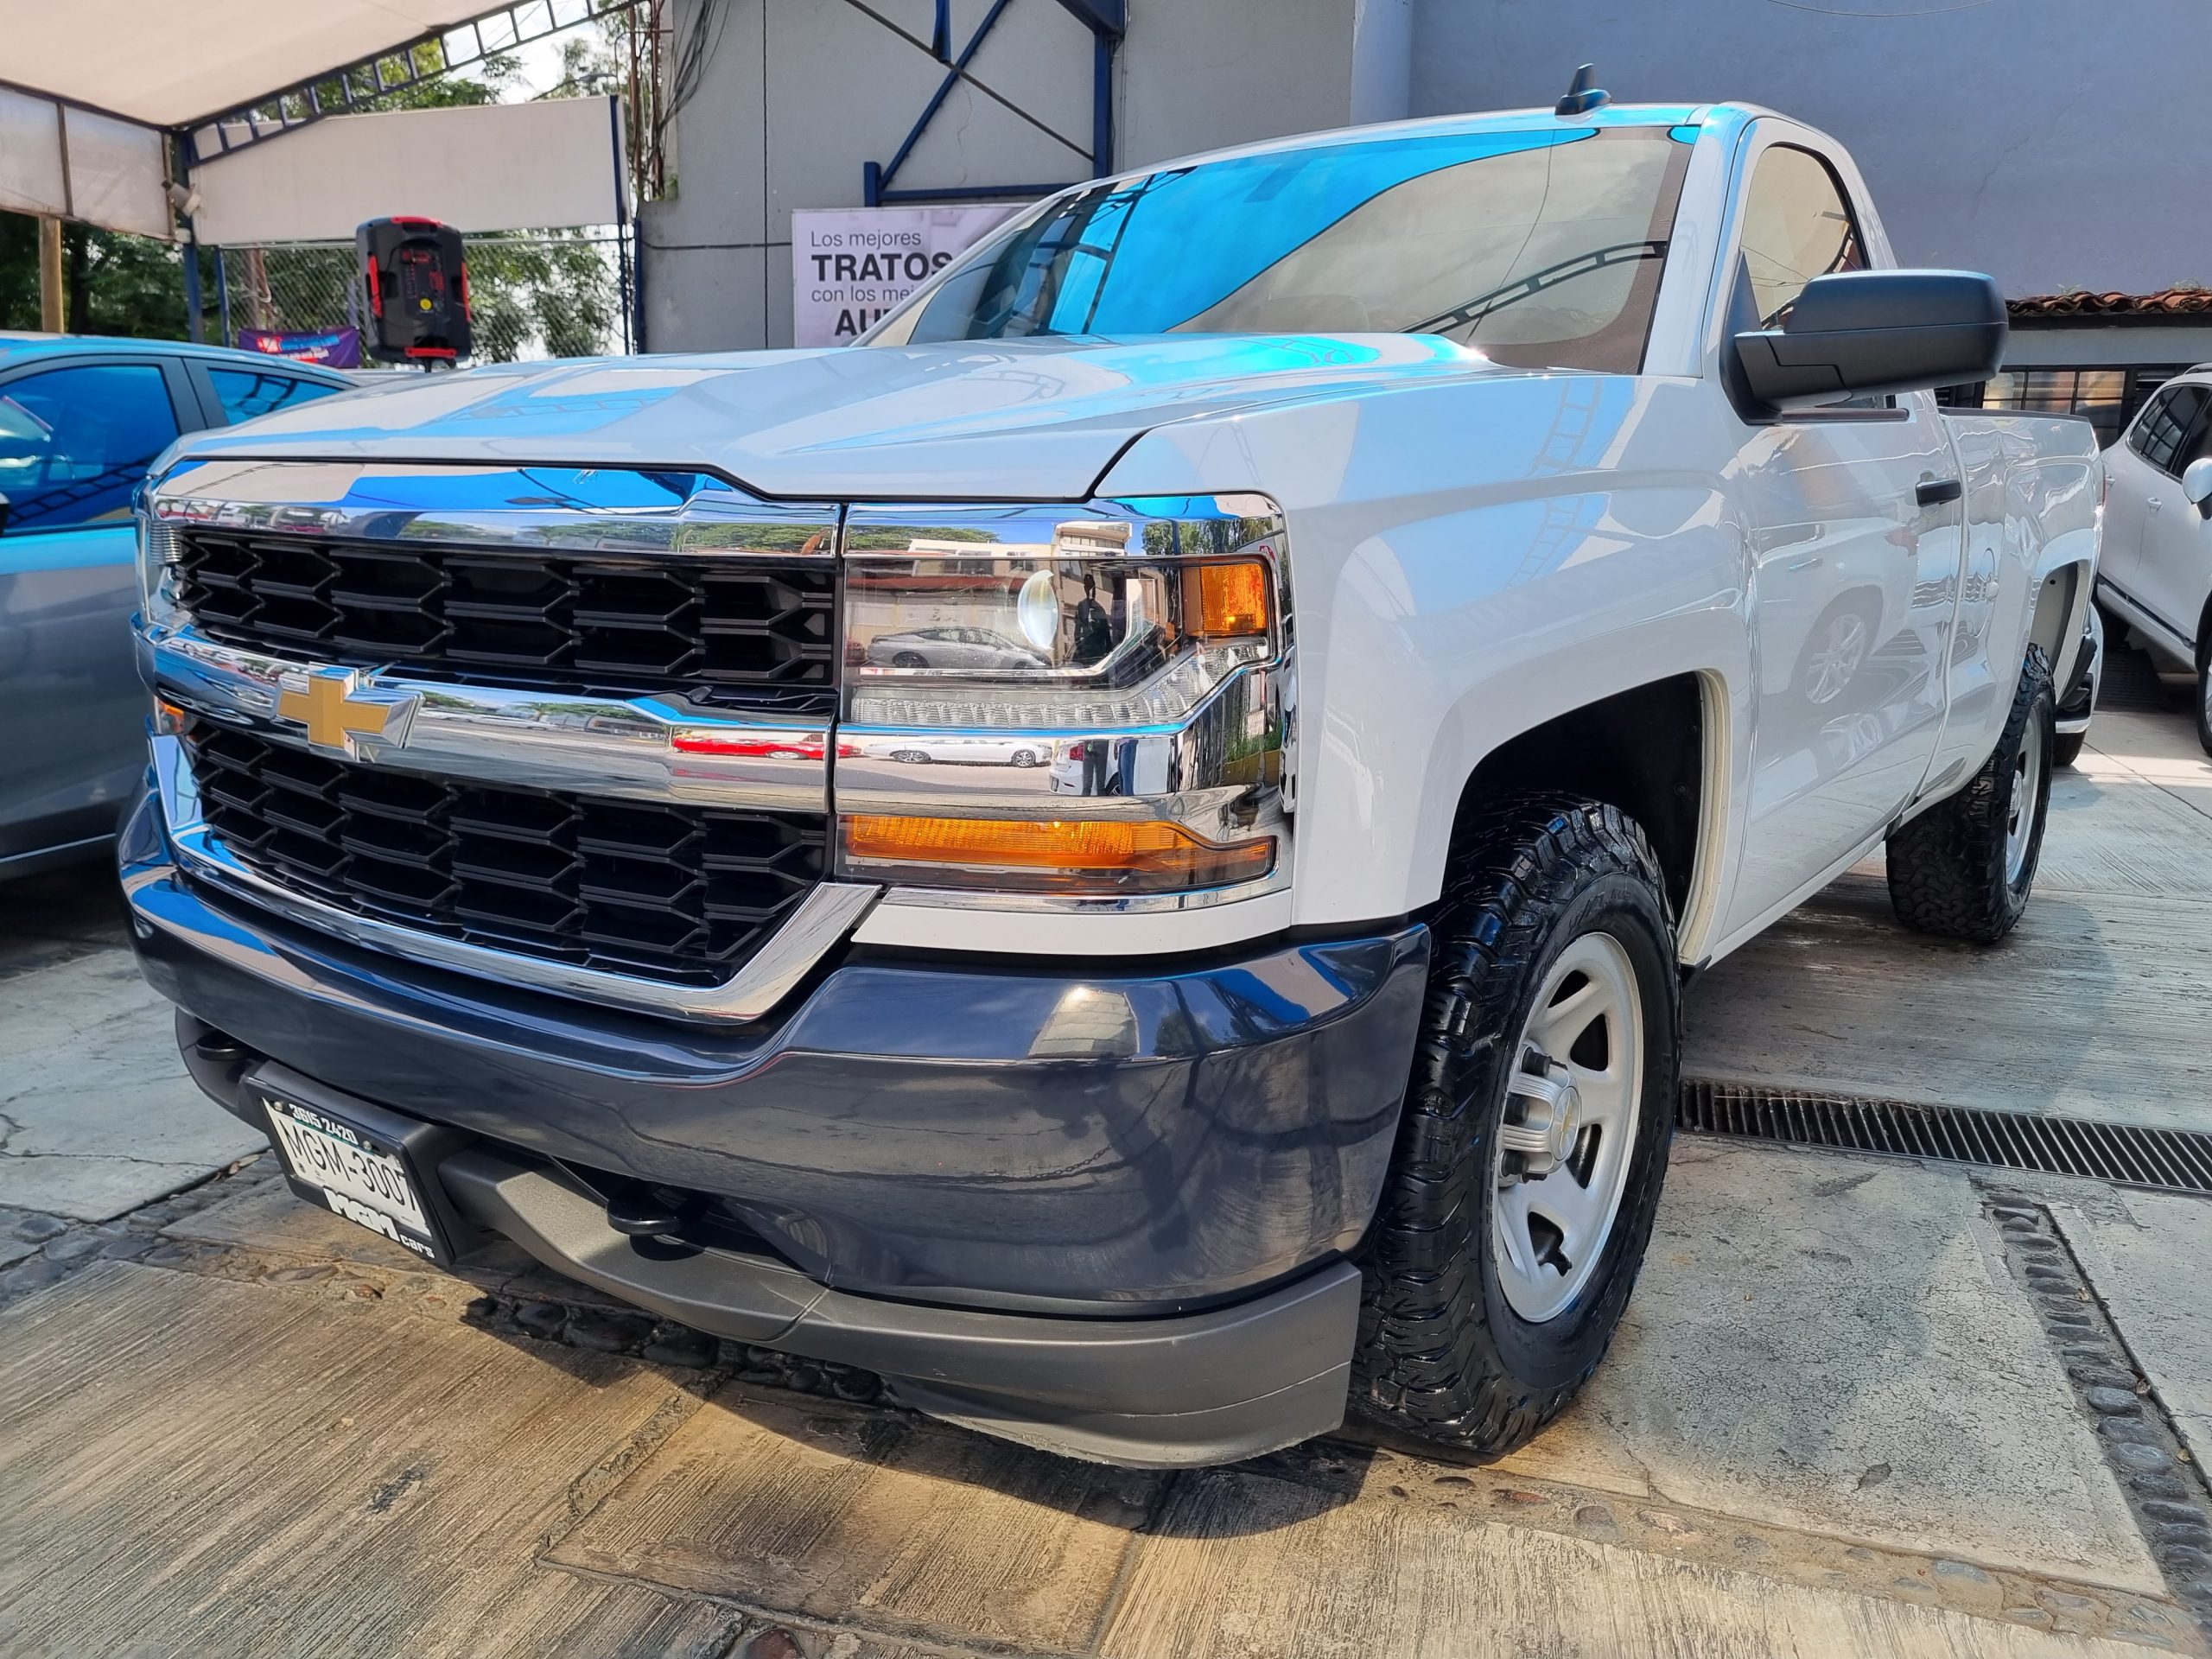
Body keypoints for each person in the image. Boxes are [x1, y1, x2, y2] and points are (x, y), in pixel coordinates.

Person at [1071, 573, 1114, 665]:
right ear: (1085, 588)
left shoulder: (1100, 609)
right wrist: (1079, 646)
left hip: (1098, 652)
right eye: (1088, 587)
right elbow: (1077, 630)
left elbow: (1106, 632)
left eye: (1092, 587)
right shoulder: (1081, 606)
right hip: (1085, 652)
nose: (1091, 590)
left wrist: (1109, 651)